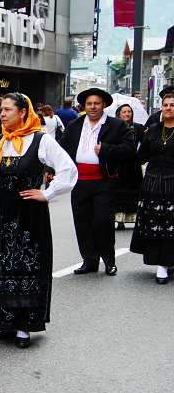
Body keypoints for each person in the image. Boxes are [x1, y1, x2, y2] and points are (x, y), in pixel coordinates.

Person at [0, 93, 77, 348]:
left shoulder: (41, 140)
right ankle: (2, 322)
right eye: (1, 110)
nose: (2, 115)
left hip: (27, 213)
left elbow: (68, 169)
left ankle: (23, 328)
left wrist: (47, 193)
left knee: (23, 265)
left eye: (7, 110)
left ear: (23, 113)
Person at [52, 88, 136, 276]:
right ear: (84, 106)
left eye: (96, 103)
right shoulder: (75, 124)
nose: (92, 107)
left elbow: (129, 149)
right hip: (80, 181)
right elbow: (61, 149)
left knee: (103, 220)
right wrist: (50, 169)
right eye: (89, 103)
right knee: (83, 222)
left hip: (105, 181)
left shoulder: (117, 125)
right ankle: (89, 260)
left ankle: (109, 261)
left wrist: (106, 149)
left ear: (104, 105)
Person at [130, 92, 174, 284]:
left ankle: (167, 263)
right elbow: (141, 156)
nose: (169, 108)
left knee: (170, 223)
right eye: (165, 105)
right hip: (152, 183)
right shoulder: (154, 129)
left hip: (173, 183)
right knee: (155, 222)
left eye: (172, 105)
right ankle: (161, 263)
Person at [113, 103, 145, 230]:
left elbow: (145, 143)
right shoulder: (114, 127)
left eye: (129, 111)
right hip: (119, 164)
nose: (127, 114)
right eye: (124, 112)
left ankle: (134, 218)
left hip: (133, 164)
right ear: (119, 114)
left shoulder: (138, 128)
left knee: (135, 192)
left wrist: (148, 134)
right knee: (118, 192)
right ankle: (119, 220)